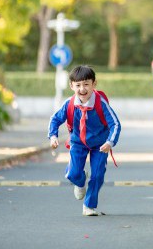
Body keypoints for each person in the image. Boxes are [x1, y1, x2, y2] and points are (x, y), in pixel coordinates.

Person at [48, 65, 121, 216]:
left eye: (86, 84)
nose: (82, 89)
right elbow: (55, 119)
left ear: (94, 84)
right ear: (71, 86)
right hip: (78, 143)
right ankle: (80, 182)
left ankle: (89, 206)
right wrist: (53, 136)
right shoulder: (69, 104)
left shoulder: (101, 103)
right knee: (73, 174)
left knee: (98, 175)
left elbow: (115, 124)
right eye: (78, 85)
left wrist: (110, 142)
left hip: (100, 145)